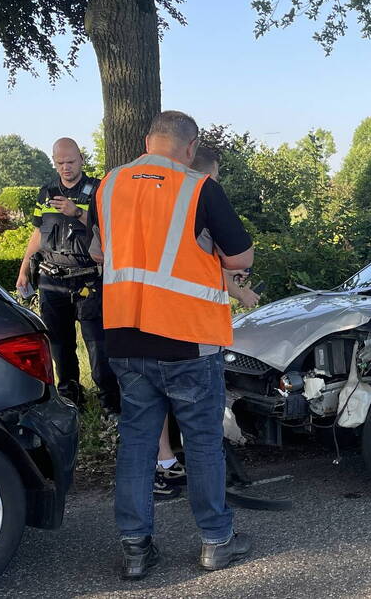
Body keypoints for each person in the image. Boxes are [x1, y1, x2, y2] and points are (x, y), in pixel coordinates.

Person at [90, 111, 254, 580]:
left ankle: (136, 550)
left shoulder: (110, 185)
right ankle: (216, 542)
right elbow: (239, 256)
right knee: (202, 443)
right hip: (188, 337)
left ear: (147, 141)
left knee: (137, 443)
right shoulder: (198, 187)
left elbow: (99, 252)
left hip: (124, 334)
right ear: (190, 146)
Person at [152, 144, 261, 501]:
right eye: (214, 177)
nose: (216, 183)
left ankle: (164, 463)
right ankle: (214, 516)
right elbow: (226, 262)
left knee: (154, 406)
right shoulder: (198, 200)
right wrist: (245, 296)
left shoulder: (157, 203)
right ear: (202, 172)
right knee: (201, 423)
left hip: (144, 324)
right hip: (193, 330)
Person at [16, 137, 119, 412]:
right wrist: (24, 268)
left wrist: (78, 213)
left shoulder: (98, 190)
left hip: (89, 278)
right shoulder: (46, 192)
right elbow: (38, 233)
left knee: (98, 346)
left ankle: (110, 402)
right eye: (60, 162)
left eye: (70, 161)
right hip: (51, 279)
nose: (65, 167)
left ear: (81, 159)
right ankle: (72, 398)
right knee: (60, 345)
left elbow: (112, 229)